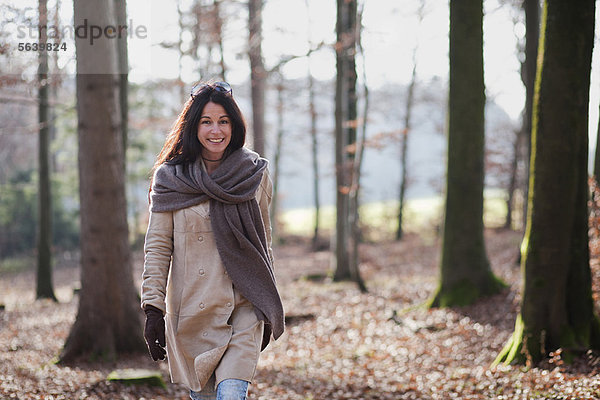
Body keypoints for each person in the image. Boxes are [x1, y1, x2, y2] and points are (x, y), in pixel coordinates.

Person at [140, 81, 285, 400]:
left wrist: (265, 302)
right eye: (206, 121)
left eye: (223, 121)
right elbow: (158, 247)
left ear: (234, 125)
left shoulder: (254, 175)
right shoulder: (170, 179)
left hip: (243, 312)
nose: (215, 130)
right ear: (194, 127)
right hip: (193, 316)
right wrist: (152, 308)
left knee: (232, 395)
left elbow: (263, 244)